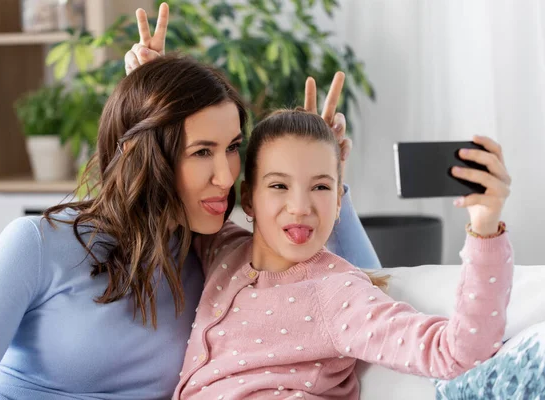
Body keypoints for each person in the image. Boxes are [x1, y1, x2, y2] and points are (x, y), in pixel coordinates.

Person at [0, 22, 379, 400]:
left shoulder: (217, 259)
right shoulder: (40, 244)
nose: (226, 176)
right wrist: (149, 102)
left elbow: (364, 293)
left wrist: (323, 176)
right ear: (149, 155)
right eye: (202, 151)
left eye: (231, 148)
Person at [173, 109, 513, 399]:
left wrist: (485, 227)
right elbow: (163, 196)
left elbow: (456, 354)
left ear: (338, 201)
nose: (300, 207)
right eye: (279, 185)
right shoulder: (220, 247)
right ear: (248, 198)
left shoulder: (337, 294)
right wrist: (150, 99)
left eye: (320, 187)